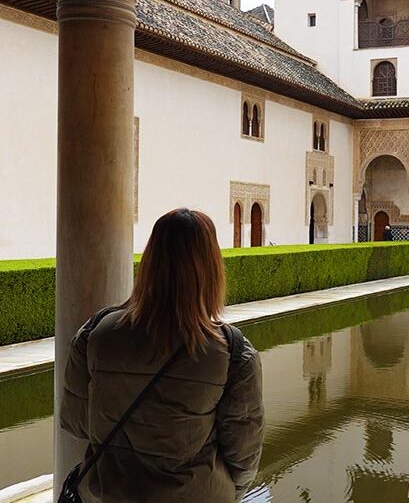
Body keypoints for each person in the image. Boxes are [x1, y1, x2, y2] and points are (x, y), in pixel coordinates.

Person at [61, 208, 265, 503]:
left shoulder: (95, 334)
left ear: (150, 261)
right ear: (211, 268)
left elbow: (75, 421)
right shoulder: (232, 354)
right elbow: (244, 456)